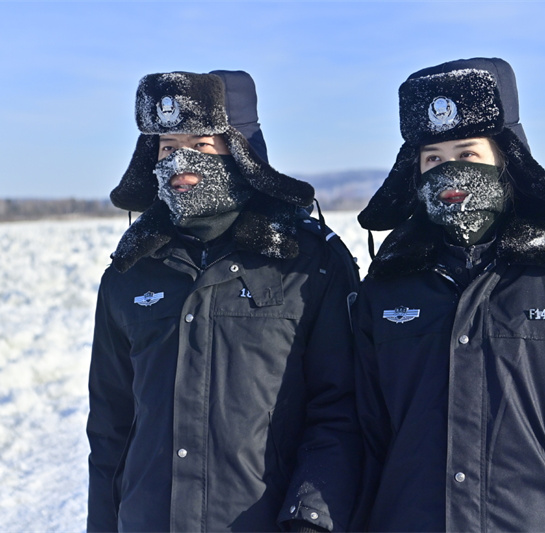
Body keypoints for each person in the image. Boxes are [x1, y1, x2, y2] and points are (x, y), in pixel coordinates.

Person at [353, 57, 545, 531]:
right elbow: (365, 438)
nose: (450, 172)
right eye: (433, 158)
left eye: (468, 153)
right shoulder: (386, 288)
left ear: (507, 158)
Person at [86, 70, 361, 533]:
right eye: (167, 147)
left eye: (200, 144)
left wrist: (309, 521)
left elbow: (341, 413)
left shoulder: (309, 264)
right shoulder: (130, 272)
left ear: (242, 150)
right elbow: (111, 430)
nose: (179, 162)